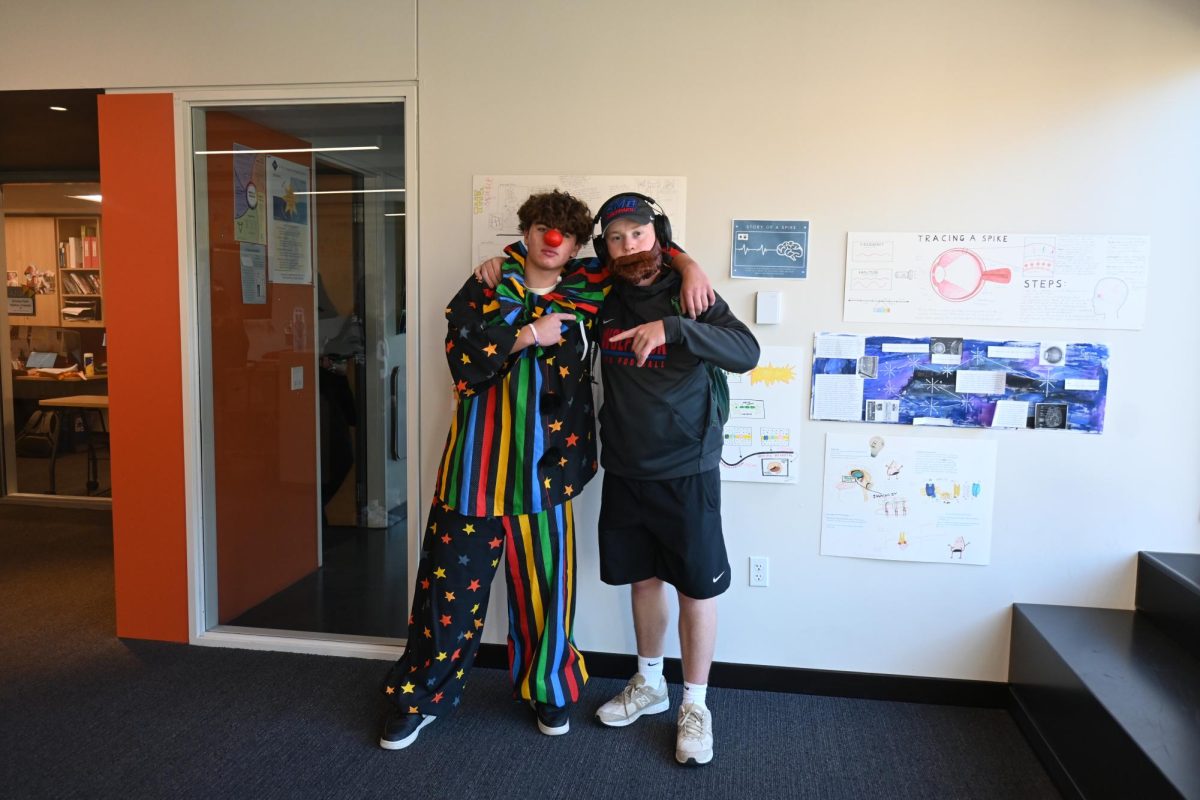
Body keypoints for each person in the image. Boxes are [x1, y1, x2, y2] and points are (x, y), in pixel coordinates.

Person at [378, 190, 712, 751]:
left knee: (547, 597)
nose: (550, 239)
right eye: (540, 228)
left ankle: (549, 690)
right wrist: (530, 333)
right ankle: (421, 697)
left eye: (563, 233)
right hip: (473, 474)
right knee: (450, 597)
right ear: (526, 233)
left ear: (579, 246)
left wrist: (689, 262)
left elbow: (640, 252)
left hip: (546, 475)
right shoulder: (487, 285)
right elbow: (464, 361)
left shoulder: (590, 289)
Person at [589, 193, 759, 767]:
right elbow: (543, 259)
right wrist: (498, 264)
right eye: (616, 238)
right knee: (642, 580)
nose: (628, 246)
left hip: (687, 469)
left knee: (696, 588)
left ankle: (696, 703)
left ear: (657, 235)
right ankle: (649, 683)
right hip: (626, 467)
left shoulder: (691, 294)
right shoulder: (601, 293)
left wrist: (676, 327)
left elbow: (746, 351)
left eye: (637, 234)